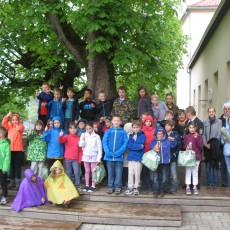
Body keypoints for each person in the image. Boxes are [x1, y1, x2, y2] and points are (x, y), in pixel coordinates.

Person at [102, 115, 128, 194]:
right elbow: (104, 142)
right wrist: (107, 152)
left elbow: (125, 143)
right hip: (109, 157)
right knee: (110, 172)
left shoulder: (123, 132)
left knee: (118, 172)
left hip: (119, 157)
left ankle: (118, 187)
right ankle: (110, 186)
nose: (116, 122)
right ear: (112, 122)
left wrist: (118, 153)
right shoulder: (108, 131)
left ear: (120, 122)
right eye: (115, 120)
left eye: (118, 120)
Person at [149, 126, 177, 198]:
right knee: (155, 178)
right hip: (155, 163)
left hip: (165, 162)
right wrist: (153, 149)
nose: (160, 135)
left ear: (164, 134)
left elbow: (174, 146)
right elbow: (150, 151)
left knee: (164, 177)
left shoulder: (167, 141)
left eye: (161, 133)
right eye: (158, 134)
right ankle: (156, 191)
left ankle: (162, 191)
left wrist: (173, 140)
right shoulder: (153, 142)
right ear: (155, 134)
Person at [2, 112, 25, 189]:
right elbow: (3, 123)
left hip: (18, 150)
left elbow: (21, 128)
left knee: (17, 166)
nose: (14, 121)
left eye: (16, 120)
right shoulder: (9, 127)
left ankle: (18, 183)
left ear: (18, 120)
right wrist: (7, 116)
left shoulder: (21, 126)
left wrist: (19, 127)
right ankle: (12, 183)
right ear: (11, 121)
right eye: (13, 120)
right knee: (11, 166)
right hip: (10, 149)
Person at [58, 122, 82, 193]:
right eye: (71, 128)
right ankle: (70, 185)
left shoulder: (79, 138)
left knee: (77, 172)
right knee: (68, 172)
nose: (73, 130)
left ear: (77, 129)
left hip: (76, 159)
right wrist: (60, 136)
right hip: (67, 158)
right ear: (69, 129)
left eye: (75, 128)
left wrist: (80, 159)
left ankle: (78, 186)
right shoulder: (67, 136)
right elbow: (61, 141)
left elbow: (80, 150)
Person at [79, 122, 102, 192]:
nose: (88, 130)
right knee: (87, 171)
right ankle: (87, 185)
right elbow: (80, 145)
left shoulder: (96, 136)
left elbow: (99, 148)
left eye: (90, 128)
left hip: (94, 156)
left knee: (93, 171)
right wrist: (82, 139)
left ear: (92, 128)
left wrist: (99, 158)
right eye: (87, 129)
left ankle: (93, 185)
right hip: (86, 155)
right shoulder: (83, 135)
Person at [124, 120, 146, 195]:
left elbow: (142, 146)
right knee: (130, 172)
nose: (135, 129)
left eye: (137, 127)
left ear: (140, 127)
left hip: (138, 157)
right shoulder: (130, 136)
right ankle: (130, 187)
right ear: (132, 128)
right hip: (131, 157)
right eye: (134, 127)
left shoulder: (142, 135)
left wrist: (138, 146)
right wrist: (138, 146)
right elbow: (129, 146)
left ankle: (136, 187)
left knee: (137, 173)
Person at [203, 107, 222, 187]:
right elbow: (203, 134)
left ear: (215, 112)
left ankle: (214, 183)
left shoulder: (219, 121)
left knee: (215, 165)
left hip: (215, 146)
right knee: (208, 166)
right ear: (208, 112)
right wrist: (206, 144)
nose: (211, 113)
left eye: (212, 111)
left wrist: (213, 144)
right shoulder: (205, 122)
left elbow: (219, 134)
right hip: (207, 147)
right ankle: (209, 183)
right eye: (210, 111)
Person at [183, 121, 204, 195]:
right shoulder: (186, 136)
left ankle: (195, 187)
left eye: (193, 127)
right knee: (188, 172)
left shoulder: (199, 136)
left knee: (195, 172)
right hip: (189, 157)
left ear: (196, 128)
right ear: (188, 128)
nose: (192, 129)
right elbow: (184, 145)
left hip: (196, 157)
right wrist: (186, 147)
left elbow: (201, 146)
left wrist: (197, 138)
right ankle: (188, 187)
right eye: (190, 127)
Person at [165, 120, 181, 193]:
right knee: (166, 172)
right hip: (165, 157)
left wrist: (175, 153)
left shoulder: (175, 134)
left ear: (172, 127)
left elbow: (179, 145)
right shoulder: (163, 134)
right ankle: (166, 187)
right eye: (166, 125)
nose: (166, 127)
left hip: (173, 157)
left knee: (173, 173)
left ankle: (175, 186)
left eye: (168, 126)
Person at [141, 115, 155, 192]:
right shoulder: (141, 130)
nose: (148, 123)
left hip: (151, 153)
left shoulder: (154, 130)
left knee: (150, 170)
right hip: (143, 152)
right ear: (144, 122)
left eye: (150, 121)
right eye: (147, 121)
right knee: (144, 170)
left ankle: (150, 185)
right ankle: (144, 185)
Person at [219, 100, 230, 187]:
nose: (227, 110)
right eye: (225, 109)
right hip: (223, 146)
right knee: (223, 166)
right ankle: (225, 183)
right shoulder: (220, 120)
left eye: (229, 109)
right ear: (223, 110)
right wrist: (222, 138)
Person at [0, 127, 11, 205]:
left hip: (2, 168)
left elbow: (7, 157)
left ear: (4, 133)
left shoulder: (6, 144)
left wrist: (5, 168)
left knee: (3, 183)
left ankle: (4, 196)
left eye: (1, 132)